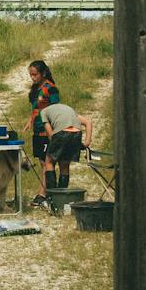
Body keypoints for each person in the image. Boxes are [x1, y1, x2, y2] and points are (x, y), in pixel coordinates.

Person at [31, 98, 92, 206]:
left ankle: (52, 198)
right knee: (64, 165)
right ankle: (63, 200)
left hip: (61, 133)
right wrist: (86, 142)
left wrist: (54, 148)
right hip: (77, 133)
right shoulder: (68, 109)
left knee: (49, 162)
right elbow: (88, 122)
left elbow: (50, 135)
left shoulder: (44, 112)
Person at [25, 60, 60, 189]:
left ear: (43, 73)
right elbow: (35, 109)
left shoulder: (50, 88)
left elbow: (56, 109)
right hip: (37, 130)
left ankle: (44, 194)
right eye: (31, 75)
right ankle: (46, 191)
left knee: (47, 163)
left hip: (47, 131)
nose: (32, 78)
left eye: (35, 74)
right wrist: (30, 120)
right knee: (41, 162)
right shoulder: (35, 90)